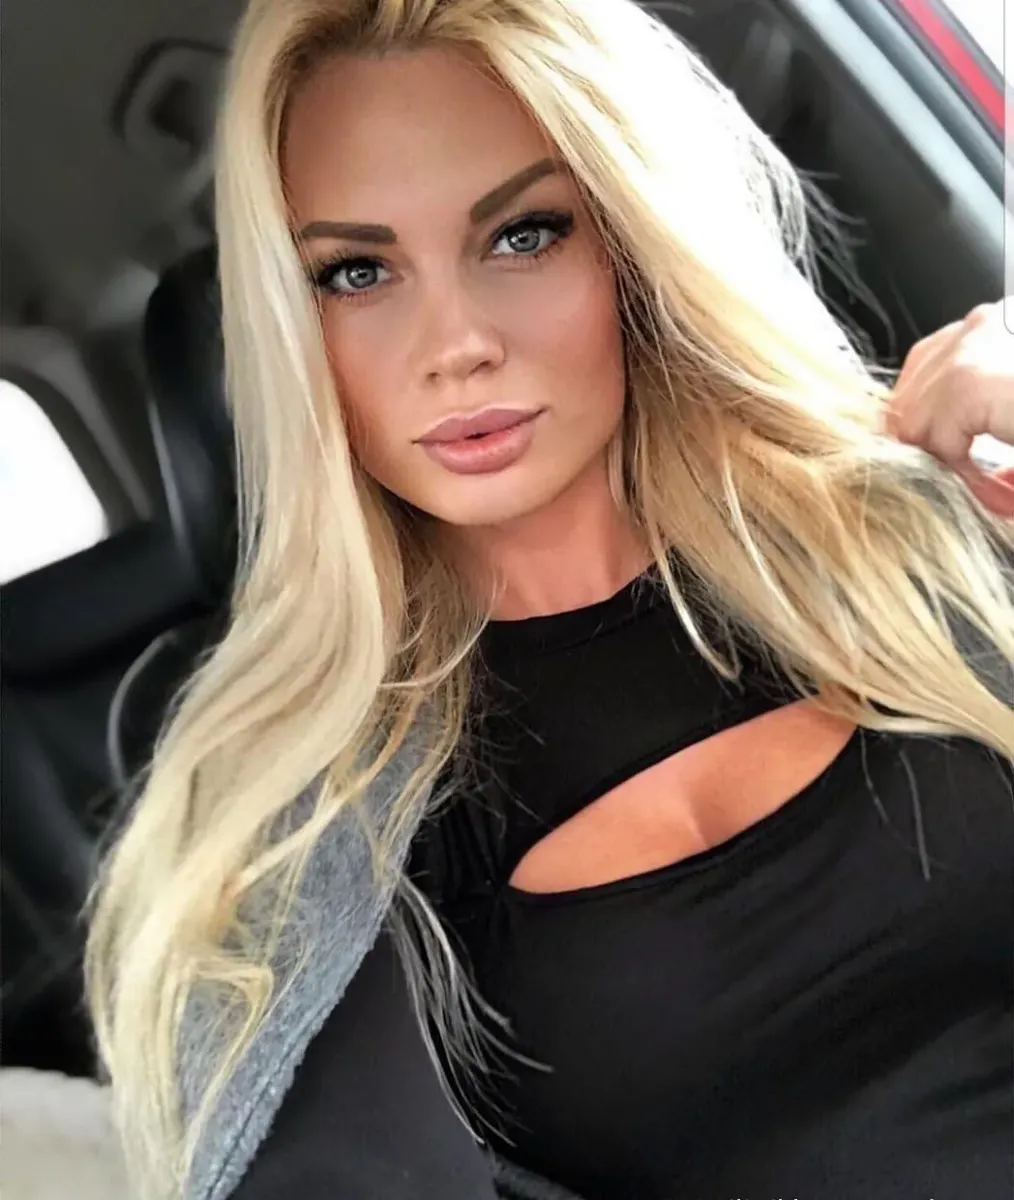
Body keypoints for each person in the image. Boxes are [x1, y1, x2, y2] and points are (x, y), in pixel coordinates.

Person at [85, 1, 1014, 1198]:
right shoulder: (298, 835)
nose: (458, 342)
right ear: (288, 330)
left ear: (628, 238)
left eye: (523, 235)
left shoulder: (924, 530)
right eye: (357, 273)